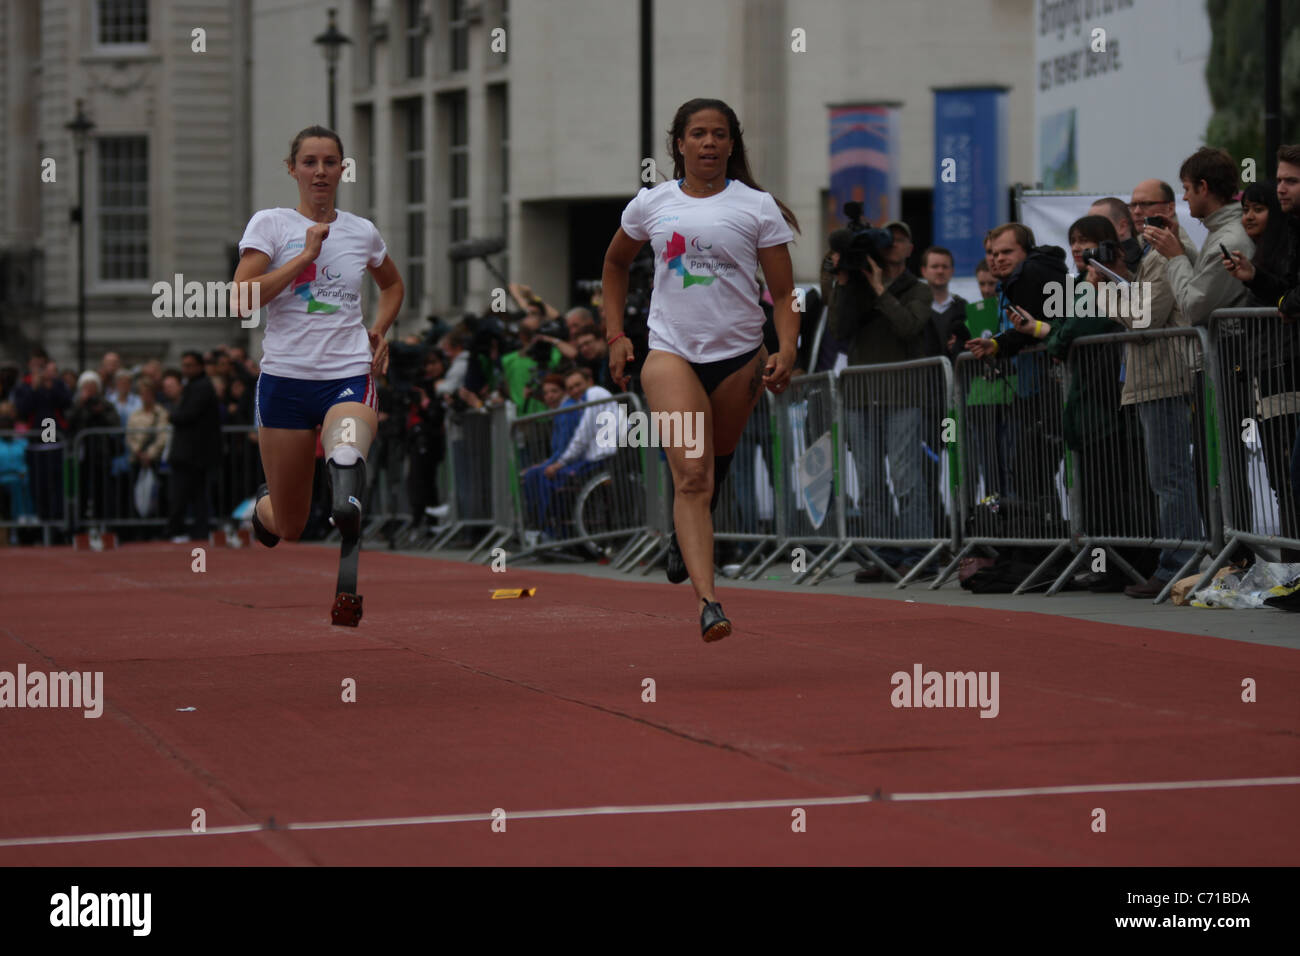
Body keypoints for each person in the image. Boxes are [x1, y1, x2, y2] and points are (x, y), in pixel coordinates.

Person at [603, 97, 799, 641]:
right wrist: (616, 335)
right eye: (697, 134)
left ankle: (680, 535)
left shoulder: (757, 207)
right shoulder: (652, 203)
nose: (708, 143)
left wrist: (786, 348)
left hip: (740, 357)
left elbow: (784, 294)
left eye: (718, 135)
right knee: (692, 475)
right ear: (680, 144)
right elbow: (616, 263)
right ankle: (709, 602)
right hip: (671, 354)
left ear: (732, 144)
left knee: (716, 464)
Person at [230, 124, 403, 626]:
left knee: (346, 450)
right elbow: (241, 297)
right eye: (310, 162)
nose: (321, 171)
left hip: (346, 374)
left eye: (331, 162)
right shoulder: (272, 225)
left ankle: (347, 517)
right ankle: (265, 509)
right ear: (293, 169)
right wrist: (304, 256)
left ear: (342, 169)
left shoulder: (361, 231)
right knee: (289, 526)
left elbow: (392, 286)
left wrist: (380, 329)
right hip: (284, 382)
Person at [161, 355, 220, 541]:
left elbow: (189, 414)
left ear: (199, 366)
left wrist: (172, 416)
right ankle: (196, 529)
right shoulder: (197, 386)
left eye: (189, 366)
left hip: (191, 453)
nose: (185, 369)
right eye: (184, 366)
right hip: (193, 452)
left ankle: (176, 529)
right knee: (195, 494)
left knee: (182, 494)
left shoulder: (200, 387)